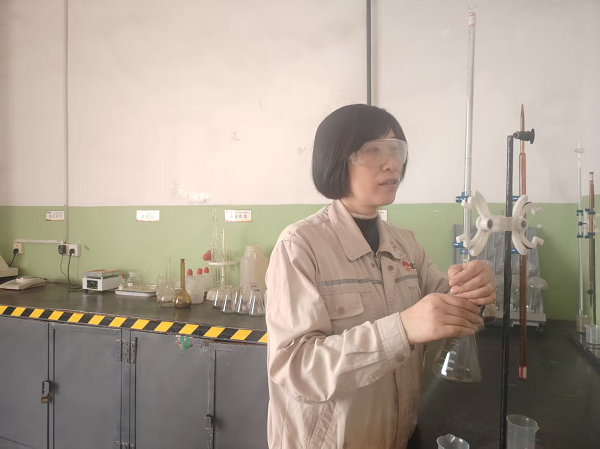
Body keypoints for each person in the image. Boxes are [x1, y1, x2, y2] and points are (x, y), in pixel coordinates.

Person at [265, 104, 495, 448]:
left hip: (399, 436)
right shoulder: (300, 245)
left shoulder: (405, 243)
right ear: (336, 159)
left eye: (396, 150)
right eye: (373, 150)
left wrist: (475, 290)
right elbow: (296, 368)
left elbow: (451, 303)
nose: (391, 164)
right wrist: (401, 330)